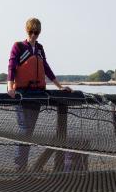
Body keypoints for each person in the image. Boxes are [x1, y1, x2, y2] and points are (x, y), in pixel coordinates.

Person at [7, 17, 71, 171]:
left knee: (30, 130)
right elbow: (11, 66)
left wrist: (60, 86)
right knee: (24, 129)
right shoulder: (18, 47)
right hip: (22, 93)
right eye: (31, 32)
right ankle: (19, 165)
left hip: (37, 93)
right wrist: (10, 87)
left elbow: (46, 68)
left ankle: (24, 165)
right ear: (26, 31)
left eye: (36, 32)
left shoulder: (40, 49)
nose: (34, 35)